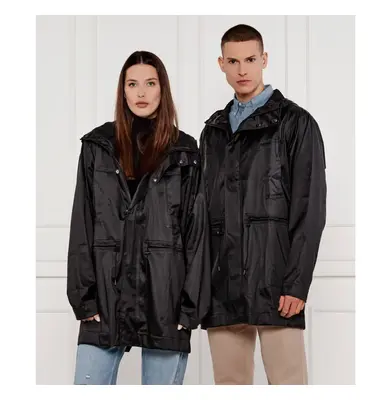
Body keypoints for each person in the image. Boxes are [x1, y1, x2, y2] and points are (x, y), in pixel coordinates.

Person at [67, 50, 210, 385]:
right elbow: (82, 225)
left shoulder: (184, 151)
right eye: (132, 84)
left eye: (150, 83)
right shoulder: (98, 146)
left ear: (163, 89)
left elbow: (197, 232)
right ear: (123, 91)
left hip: (164, 300)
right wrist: (84, 299)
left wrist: (190, 308)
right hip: (106, 298)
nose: (141, 92)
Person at [199, 24, 327, 385]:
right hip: (222, 287)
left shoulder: (296, 123)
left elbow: (310, 208)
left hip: (276, 284)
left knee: (288, 384)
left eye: (251, 60)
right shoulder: (213, 132)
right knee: (229, 385)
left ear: (264, 60)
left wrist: (297, 284)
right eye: (233, 61)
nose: (242, 70)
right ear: (221, 64)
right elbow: (202, 214)